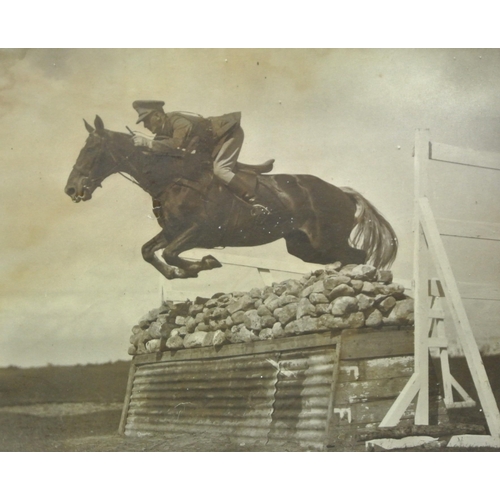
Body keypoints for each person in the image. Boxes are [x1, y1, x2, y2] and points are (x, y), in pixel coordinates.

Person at [132, 100, 272, 211]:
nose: (145, 126)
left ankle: (256, 200)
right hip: (212, 143)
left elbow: (176, 144)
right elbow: (161, 150)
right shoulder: (162, 132)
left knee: (220, 170)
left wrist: (148, 144)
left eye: (146, 120)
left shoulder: (178, 121)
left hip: (228, 133)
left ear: (157, 115)